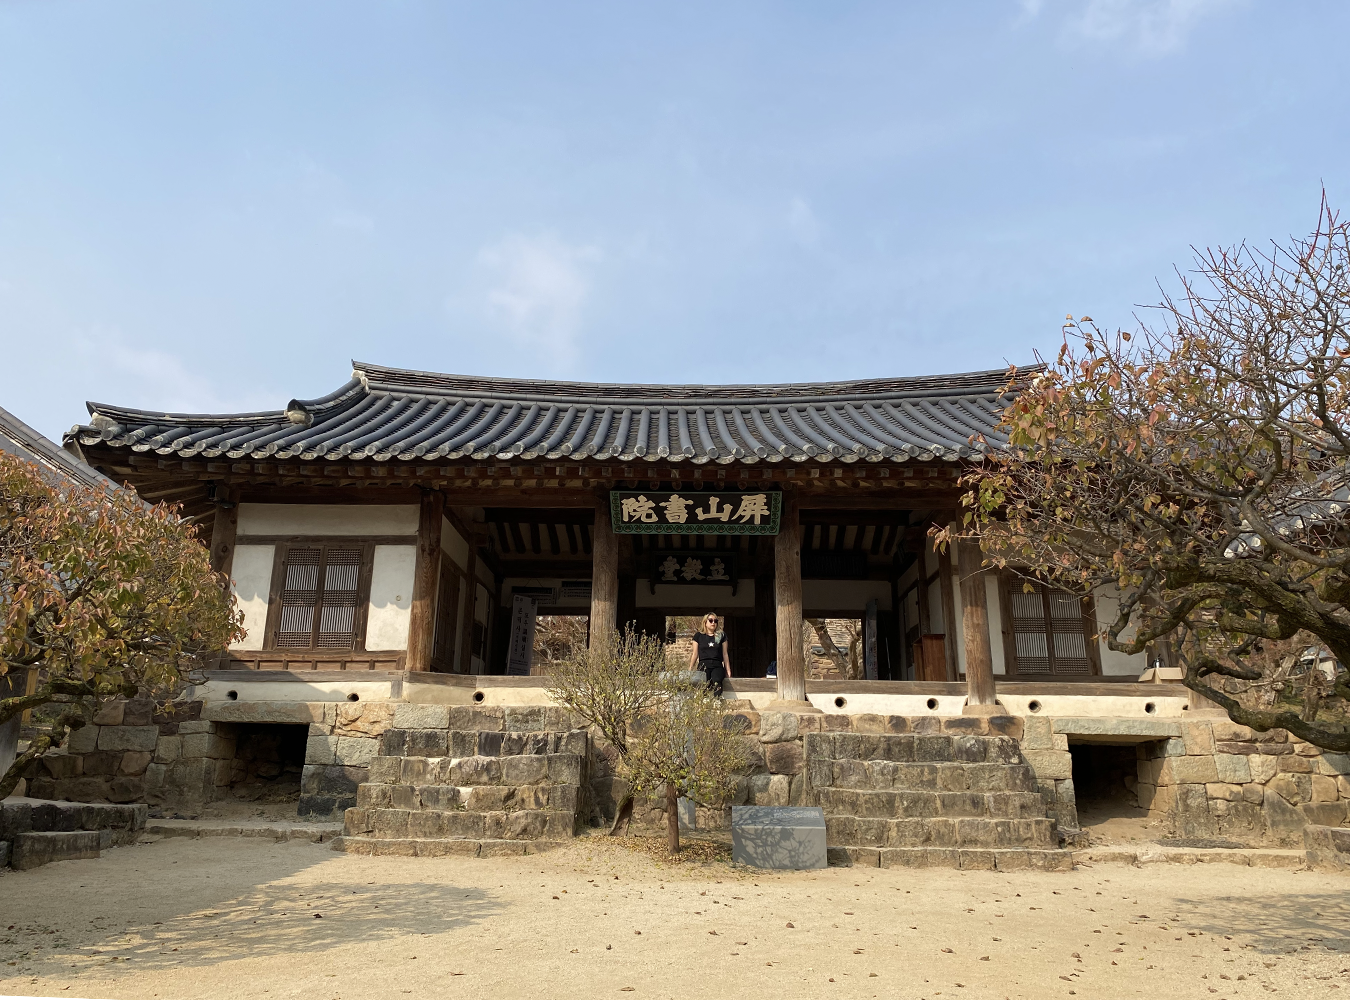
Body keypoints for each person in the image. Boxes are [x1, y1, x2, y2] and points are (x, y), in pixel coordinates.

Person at [688, 612, 731, 696]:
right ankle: (705, 702)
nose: (713, 623)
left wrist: (728, 670)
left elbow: (725, 654)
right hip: (703, 664)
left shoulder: (721, 636)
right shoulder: (698, 636)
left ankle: (717, 701)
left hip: (717, 664)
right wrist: (690, 668)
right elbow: (695, 654)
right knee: (704, 681)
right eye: (710, 620)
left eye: (715, 621)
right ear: (705, 622)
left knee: (717, 680)